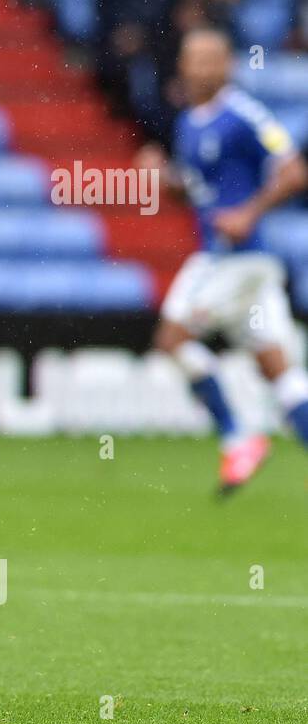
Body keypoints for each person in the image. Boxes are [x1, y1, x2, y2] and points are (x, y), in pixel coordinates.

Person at [145, 27, 308, 495]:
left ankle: (239, 436)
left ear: (227, 66)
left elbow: (294, 170)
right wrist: (163, 179)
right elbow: (199, 190)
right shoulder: (188, 122)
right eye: (192, 59)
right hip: (238, 265)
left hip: (236, 260)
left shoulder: (244, 114)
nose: (199, 68)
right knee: (282, 374)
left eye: (209, 59)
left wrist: (248, 213)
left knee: (171, 339)